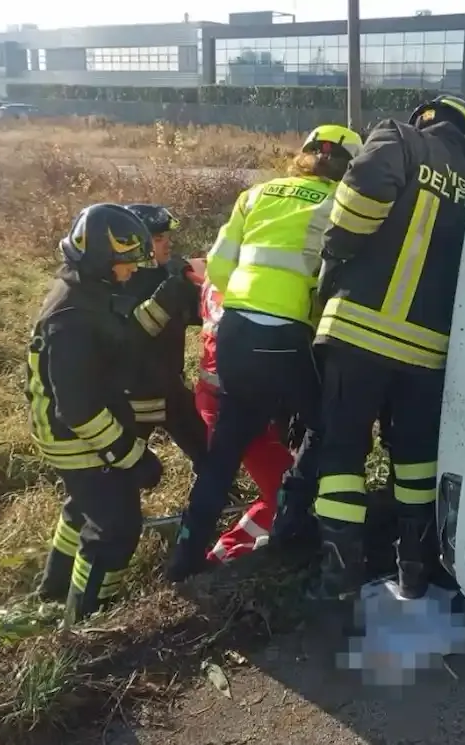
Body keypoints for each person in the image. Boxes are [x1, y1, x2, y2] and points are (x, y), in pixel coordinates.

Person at [165, 124, 364, 582]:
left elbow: (218, 267)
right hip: (287, 336)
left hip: (235, 331)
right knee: (323, 425)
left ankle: (185, 557)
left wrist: (249, 300)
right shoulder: (340, 204)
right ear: (350, 168)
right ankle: (292, 520)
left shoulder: (256, 194)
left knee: (224, 452)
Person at [306, 95, 465, 602]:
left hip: (358, 333)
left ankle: (339, 579)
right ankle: (415, 570)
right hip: (428, 353)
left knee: (343, 453)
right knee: (416, 460)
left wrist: (337, 251)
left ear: (425, 119)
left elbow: (359, 197)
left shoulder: (402, 140)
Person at [29, 203, 190, 622]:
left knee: (84, 509)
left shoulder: (88, 291)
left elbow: (123, 341)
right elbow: (79, 409)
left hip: (72, 431)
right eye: (126, 262)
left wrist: (167, 298)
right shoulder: (72, 319)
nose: (133, 270)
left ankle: (54, 594)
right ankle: (88, 620)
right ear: (102, 258)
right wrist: (130, 456)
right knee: (115, 527)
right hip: (75, 438)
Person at [188, 259, 297, 563]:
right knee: (285, 490)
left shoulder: (220, 272)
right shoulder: (255, 286)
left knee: (281, 487)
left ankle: (221, 551)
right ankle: (223, 556)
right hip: (234, 405)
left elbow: (198, 265)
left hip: (222, 400)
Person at [116, 204, 206, 467]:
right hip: (133, 397)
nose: (167, 243)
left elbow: (195, 316)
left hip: (171, 390)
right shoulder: (121, 282)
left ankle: (217, 491)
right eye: (158, 239)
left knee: (210, 456)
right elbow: (137, 333)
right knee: (123, 468)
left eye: (167, 237)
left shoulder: (167, 274)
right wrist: (174, 287)